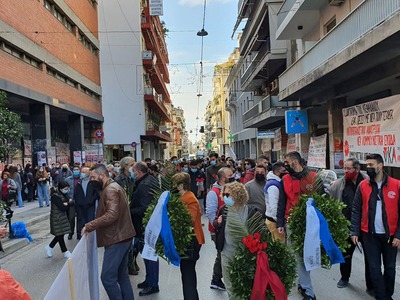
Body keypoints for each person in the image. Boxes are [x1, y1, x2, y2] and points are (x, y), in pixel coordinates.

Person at [82, 164, 135, 300]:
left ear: (101, 176)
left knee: (107, 277)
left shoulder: (110, 190)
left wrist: (90, 225)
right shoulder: (113, 186)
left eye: (93, 177)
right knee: (122, 275)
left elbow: (112, 215)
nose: (91, 180)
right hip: (123, 236)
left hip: (116, 239)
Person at [351, 153, 400, 300]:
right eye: (367, 165)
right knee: (374, 268)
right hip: (369, 235)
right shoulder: (363, 186)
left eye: (371, 165)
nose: (368, 168)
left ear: (380, 166)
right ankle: (381, 296)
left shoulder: (396, 185)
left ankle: (388, 294)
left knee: (390, 268)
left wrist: (398, 234)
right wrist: (354, 231)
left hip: (390, 236)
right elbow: (356, 209)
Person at [277, 151, 319, 300]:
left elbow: (322, 200)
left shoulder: (313, 178)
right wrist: (280, 223)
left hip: (311, 223)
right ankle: (308, 290)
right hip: (292, 222)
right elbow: (282, 202)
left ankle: (303, 283)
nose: (284, 166)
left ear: (295, 162)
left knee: (308, 255)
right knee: (298, 256)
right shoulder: (285, 180)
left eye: (287, 163)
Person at [328, 158, 372, 291]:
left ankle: (370, 286)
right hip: (346, 226)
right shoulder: (339, 184)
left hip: (365, 225)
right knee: (346, 255)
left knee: (370, 257)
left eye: (349, 169)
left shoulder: (368, 182)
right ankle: (344, 277)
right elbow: (329, 197)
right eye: (344, 169)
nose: (345, 171)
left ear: (357, 169)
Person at [214, 182, 252, 299]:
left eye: (228, 194)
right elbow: (217, 224)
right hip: (226, 251)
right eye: (224, 194)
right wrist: (218, 223)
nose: (225, 197)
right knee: (229, 282)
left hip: (244, 254)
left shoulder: (250, 211)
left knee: (243, 283)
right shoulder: (224, 209)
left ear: (237, 196)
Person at [172, 172, 205, 300]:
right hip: (189, 239)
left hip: (192, 239)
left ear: (180, 186)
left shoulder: (190, 198)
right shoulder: (184, 197)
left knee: (188, 274)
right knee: (187, 273)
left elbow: (189, 219)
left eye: (174, 185)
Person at [131, 162, 160, 295]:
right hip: (146, 224)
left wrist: (129, 210)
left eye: (133, 171)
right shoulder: (148, 179)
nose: (132, 173)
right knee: (147, 253)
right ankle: (149, 280)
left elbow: (145, 208)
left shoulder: (145, 185)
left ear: (138, 172)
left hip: (146, 224)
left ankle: (153, 284)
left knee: (150, 254)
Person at [206, 167, 235, 291]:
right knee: (221, 254)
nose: (233, 176)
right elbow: (211, 213)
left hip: (230, 228)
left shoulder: (230, 189)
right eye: (230, 175)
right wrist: (217, 227)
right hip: (218, 230)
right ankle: (216, 279)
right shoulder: (213, 193)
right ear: (223, 178)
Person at [45, 181, 73, 259]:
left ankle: (50, 247)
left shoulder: (64, 194)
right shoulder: (55, 196)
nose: (67, 190)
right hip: (57, 218)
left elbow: (71, 202)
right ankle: (65, 251)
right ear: (60, 188)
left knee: (60, 234)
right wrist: (67, 203)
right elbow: (63, 207)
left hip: (62, 217)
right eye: (65, 189)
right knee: (60, 235)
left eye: (68, 188)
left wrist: (67, 203)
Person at [264, 162, 287, 242]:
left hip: (273, 219)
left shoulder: (274, 182)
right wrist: (279, 223)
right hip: (274, 221)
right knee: (280, 245)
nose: (286, 172)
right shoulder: (274, 186)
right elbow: (274, 206)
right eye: (283, 171)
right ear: (277, 172)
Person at [74, 167, 98, 240]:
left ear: (89, 173)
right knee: (82, 221)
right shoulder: (79, 183)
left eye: (84, 172)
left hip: (90, 206)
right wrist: (78, 203)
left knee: (90, 220)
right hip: (81, 206)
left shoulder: (93, 182)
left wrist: (91, 201)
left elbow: (96, 193)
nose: (82, 173)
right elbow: (76, 194)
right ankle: (82, 235)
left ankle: (91, 236)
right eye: (82, 172)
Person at [65, 165, 81, 240]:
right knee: (71, 218)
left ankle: (79, 233)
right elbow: (65, 190)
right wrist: (68, 199)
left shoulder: (82, 179)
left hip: (80, 202)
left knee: (80, 218)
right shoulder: (68, 179)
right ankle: (70, 233)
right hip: (71, 201)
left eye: (77, 169)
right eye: (74, 169)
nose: (76, 171)